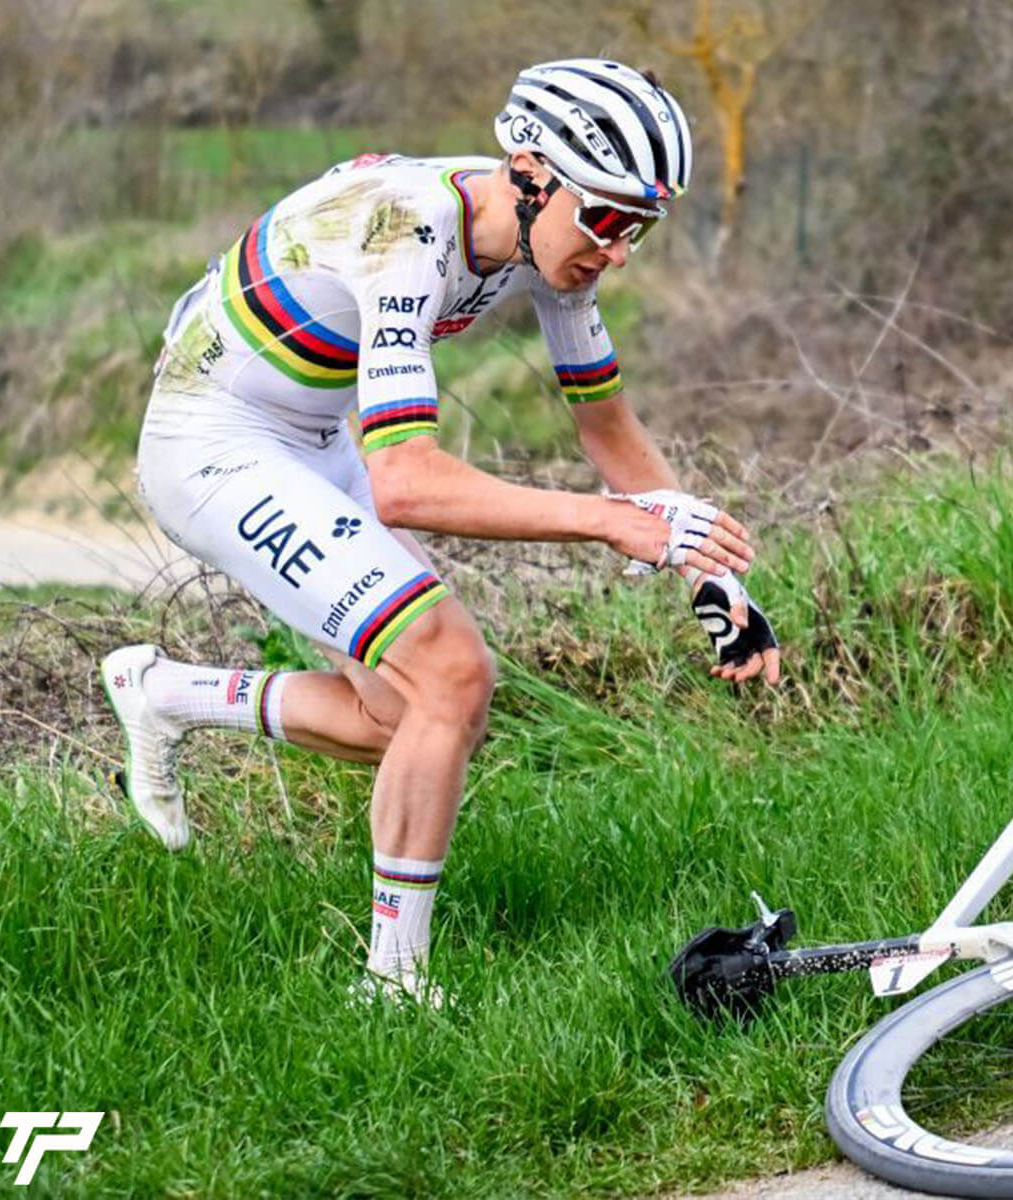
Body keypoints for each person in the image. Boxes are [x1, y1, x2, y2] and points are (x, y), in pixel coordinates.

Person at [100, 59, 780, 1004]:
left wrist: (715, 577)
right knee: (453, 672)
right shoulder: (408, 230)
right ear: (536, 175)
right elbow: (409, 481)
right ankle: (394, 987)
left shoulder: (546, 242)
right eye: (611, 221)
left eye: (641, 228)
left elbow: (606, 426)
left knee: (408, 715)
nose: (620, 252)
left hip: (305, 430)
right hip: (213, 439)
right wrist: (613, 525)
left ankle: (166, 692)